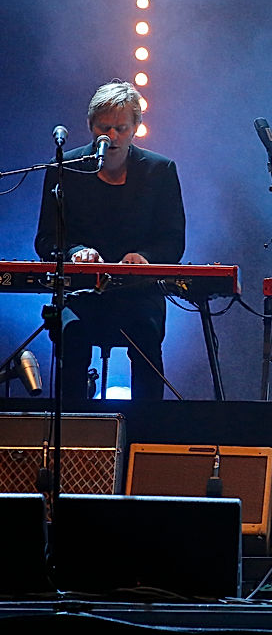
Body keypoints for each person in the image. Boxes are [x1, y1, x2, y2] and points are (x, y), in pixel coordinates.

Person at [34, 80, 185, 400]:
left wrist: (144, 258)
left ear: (135, 128)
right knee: (72, 335)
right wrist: (75, 251)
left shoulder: (160, 171)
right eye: (104, 128)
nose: (112, 136)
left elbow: (173, 241)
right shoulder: (65, 169)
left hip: (139, 295)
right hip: (80, 294)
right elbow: (45, 239)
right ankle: (75, 435)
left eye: (120, 128)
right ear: (90, 126)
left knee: (145, 336)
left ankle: (147, 432)